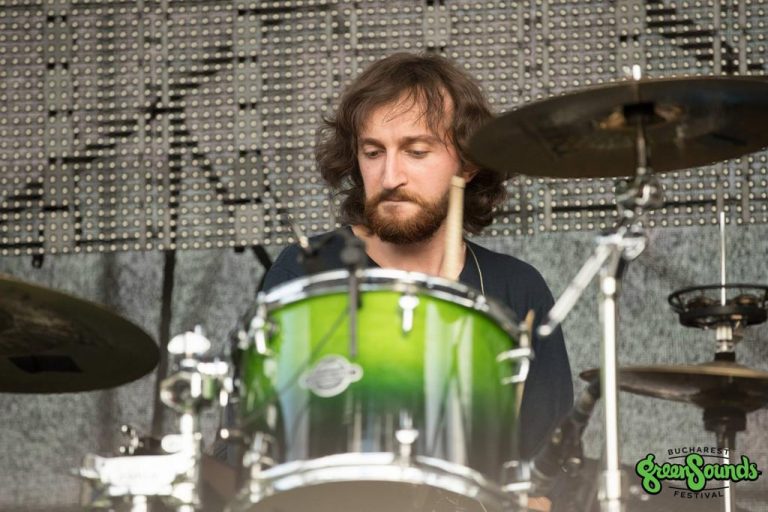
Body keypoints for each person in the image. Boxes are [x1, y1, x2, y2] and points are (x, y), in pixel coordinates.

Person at [262, 52, 573, 463]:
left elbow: (551, 465)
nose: (390, 177)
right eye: (373, 153)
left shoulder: (518, 289)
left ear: (467, 165)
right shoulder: (306, 271)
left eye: (417, 151)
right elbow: (253, 440)